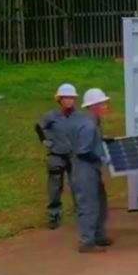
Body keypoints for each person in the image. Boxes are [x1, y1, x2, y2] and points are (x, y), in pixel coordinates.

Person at [70, 88, 112, 253]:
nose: (105, 105)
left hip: (92, 170)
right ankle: (87, 242)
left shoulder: (93, 121)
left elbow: (92, 142)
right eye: (102, 103)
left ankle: (99, 236)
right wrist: (101, 158)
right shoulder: (88, 125)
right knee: (89, 205)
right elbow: (83, 151)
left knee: (101, 202)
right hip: (84, 170)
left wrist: (103, 142)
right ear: (94, 106)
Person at [34, 83, 80, 229]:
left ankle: (81, 214)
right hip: (56, 156)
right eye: (66, 98)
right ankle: (54, 215)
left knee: (77, 185)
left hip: (73, 155)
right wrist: (45, 141)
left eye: (71, 98)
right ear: (59, 99)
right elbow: (38, 126)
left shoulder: (78, 116)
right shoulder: (51, 116)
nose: (69, 101)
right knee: (54, 186)